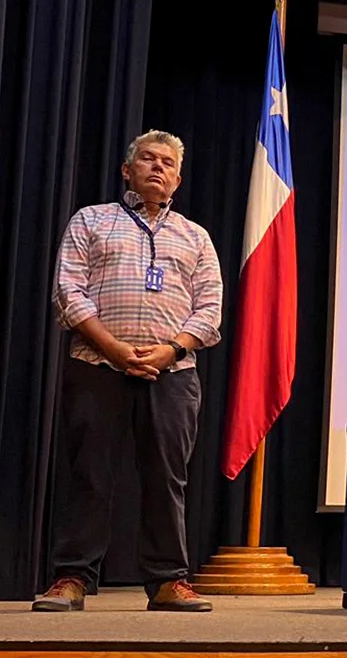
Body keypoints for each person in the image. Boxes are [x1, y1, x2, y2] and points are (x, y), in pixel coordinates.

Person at [33, 130, 223, 613]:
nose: (158, 167)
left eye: (167, 163)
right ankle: (72, 578)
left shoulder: (196, 236)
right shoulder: (91, 220)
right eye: (148, 159)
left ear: (178, 178)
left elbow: (210, 309)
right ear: (126, 169)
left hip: (172, 372)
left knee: (166, 479)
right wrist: (114, 348)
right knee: (89, 474)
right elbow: (68, 292)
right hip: (97, 365)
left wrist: (171, 349)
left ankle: (168, 581)